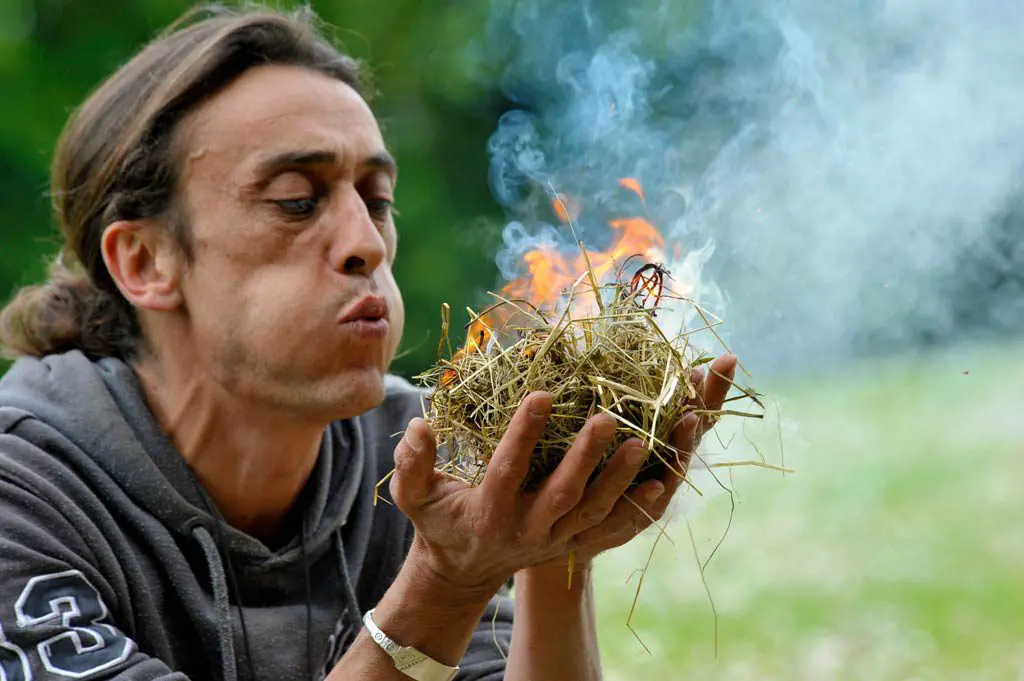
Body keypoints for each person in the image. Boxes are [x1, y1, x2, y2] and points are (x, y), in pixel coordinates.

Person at [0, 5, 737, 681]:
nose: (366, 242)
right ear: (144, 262)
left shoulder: (412, 455)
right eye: (296, 201)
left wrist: (552, 546)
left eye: (377, 200)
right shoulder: (22, 497)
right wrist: (442, 584)